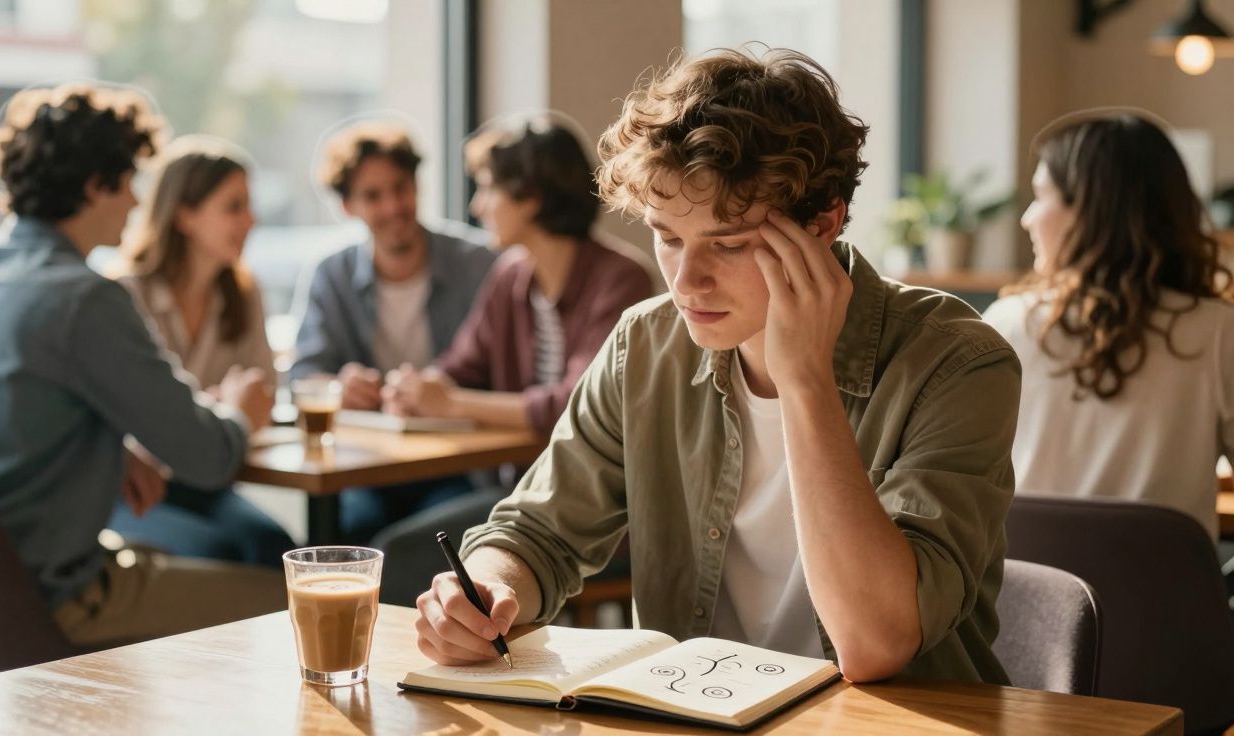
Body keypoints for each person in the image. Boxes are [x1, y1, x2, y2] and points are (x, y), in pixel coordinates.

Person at [411, 48, 1021, 684]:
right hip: (697, 715)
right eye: (668, 238)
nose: (686, 281)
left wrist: (805, 378)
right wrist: (482, 592)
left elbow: (875, 642)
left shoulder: (957, 361)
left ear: (822, 226)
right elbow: (538, 532)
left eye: (728, 245)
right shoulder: (645, 345)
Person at [0, 83, 283, 646]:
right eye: (130, 182)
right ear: (95, 186)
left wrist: (109, 449)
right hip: (54, 598)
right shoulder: (84, 299)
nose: (138, 203)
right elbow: (209, 456)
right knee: (302, 602)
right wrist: (238, 413)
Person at [372, 115, 655, 605]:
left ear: (531, 196)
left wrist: (454, 402)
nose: (477, 205)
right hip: (521, 493)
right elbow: (462, 364)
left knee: (394, 556)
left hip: (597, 508)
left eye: (488, 188)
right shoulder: (511, 275)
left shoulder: (620, 279)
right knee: (379, 535)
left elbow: (572, 406)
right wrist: (418, 388)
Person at [984, 111, 1234, 541]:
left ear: (1090, 211)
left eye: (1041, 196)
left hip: (1029, 600)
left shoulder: (1004, 326)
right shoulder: (1218, 333)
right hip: (1166, 604)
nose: (1028, 218)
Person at [293, 121, 497, 543]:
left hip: (454, 462)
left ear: (417, 186)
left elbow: (503, 370)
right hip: (365, 467)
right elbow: (303, 377)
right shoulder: (332, 275)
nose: (392, 206)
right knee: (342, 534)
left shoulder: (478, 264)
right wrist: (339, 388)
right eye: (372, 195)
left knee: (428, 542)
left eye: (401, 187)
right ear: (348, 206)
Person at [108, 134, 295, 565]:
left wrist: (212, 411)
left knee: (276, 547)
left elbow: (260, 396)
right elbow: (126, 421)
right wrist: (217, 408)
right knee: (221, 552)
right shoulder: (123, 294)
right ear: (185, 216)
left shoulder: (244, 295)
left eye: (249, 206)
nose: (251, 221)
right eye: (234, 207)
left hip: (208, 484)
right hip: (135, 490)